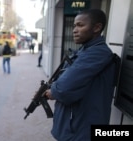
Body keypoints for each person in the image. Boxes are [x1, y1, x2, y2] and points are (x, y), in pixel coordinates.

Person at [44, 9, 117, 141]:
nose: (74, 30)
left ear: (97, 27)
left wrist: (53, 91)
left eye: (80, 25)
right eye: (74, 26)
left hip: (81, 131)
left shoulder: (97, 53)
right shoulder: (84, 51)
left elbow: (63, 88)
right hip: (74, 127)